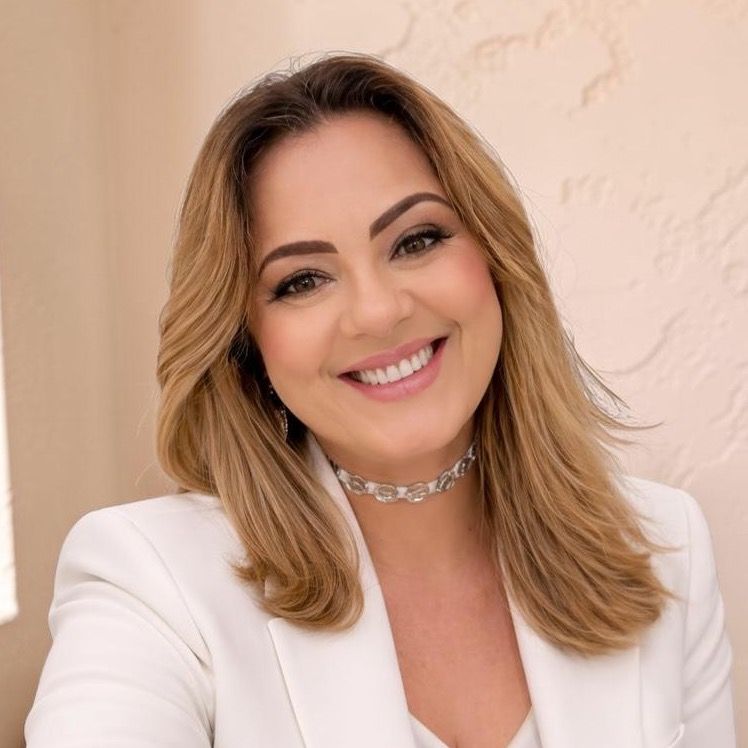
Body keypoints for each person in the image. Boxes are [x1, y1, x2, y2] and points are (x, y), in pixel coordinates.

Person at [25, 52, 735, 748]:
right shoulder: (150, 580)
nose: (378, 311)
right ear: (246, 343)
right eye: (303, 280)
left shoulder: (663, 546)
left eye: (416, 240)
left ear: (496, 257)